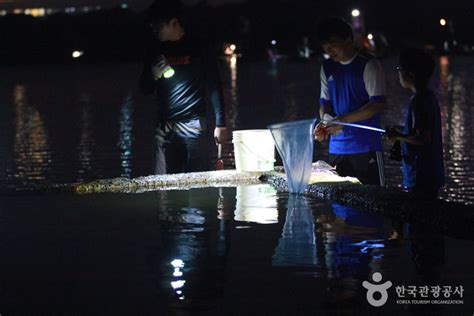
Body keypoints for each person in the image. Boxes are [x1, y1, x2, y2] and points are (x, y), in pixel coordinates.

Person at [139, 1, 226, 174]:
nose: (155, 29)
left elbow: (214, 85)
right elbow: (145, 89)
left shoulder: (199, 46)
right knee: (165, 185)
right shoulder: (155, 49)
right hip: (165, 127)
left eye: (159, 25)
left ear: (174, 22)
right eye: (152, 25)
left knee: (197, 185)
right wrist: (153, 75)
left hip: (194, 124)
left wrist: (221, 124)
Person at [314, 17, 386, 186]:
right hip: (337, 149)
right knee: (340, 207)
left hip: (366, 147)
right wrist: (325, 122)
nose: (328, 48)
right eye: (324, 44)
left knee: (374, 202)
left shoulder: (369, 64)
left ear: (348, 39)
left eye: (332, 42)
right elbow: (325, 103)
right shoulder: (327, 67)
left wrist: (342, 121)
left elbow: (377, 104)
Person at [385, 48, 445, 199]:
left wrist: (398, 136)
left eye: (400, 69)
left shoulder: (419, 101)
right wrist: (400, 131)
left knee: (417, 218)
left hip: (421, 176)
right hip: (428, 175)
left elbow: (423, 138)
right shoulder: (428, 97)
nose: (398, 73)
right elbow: (419, 129)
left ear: (410, 74)